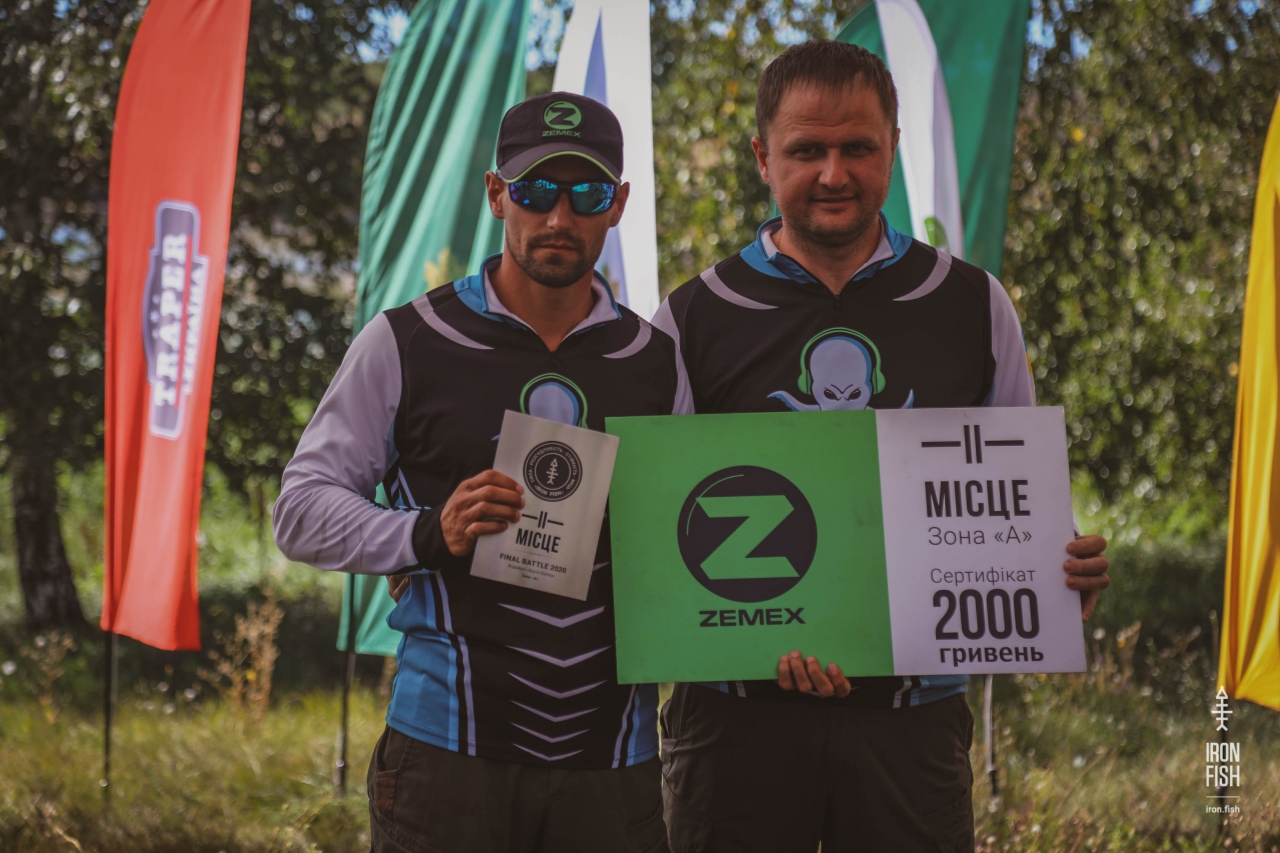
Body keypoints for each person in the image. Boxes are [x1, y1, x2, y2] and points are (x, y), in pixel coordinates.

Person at [651, 40, 1111, 853]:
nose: (834, 173)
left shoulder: (972, 304)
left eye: (858, 147)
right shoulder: (692, 317)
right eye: (807, 151)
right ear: (762, 157)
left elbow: (1019, 499)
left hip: (912, 724)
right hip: (735, 725)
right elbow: (658, 532)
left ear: (893, 148)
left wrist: (1061, 569)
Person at [274, 91, 686, 853]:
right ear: (497, 193)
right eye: (536, 190)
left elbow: (688, 544)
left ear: (619, 204)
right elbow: (299, 510)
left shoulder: (655, 359)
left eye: (587, 194)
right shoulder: (408, 338)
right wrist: (426, 533)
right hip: (446, 756)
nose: (558, 216)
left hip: (612, 759)